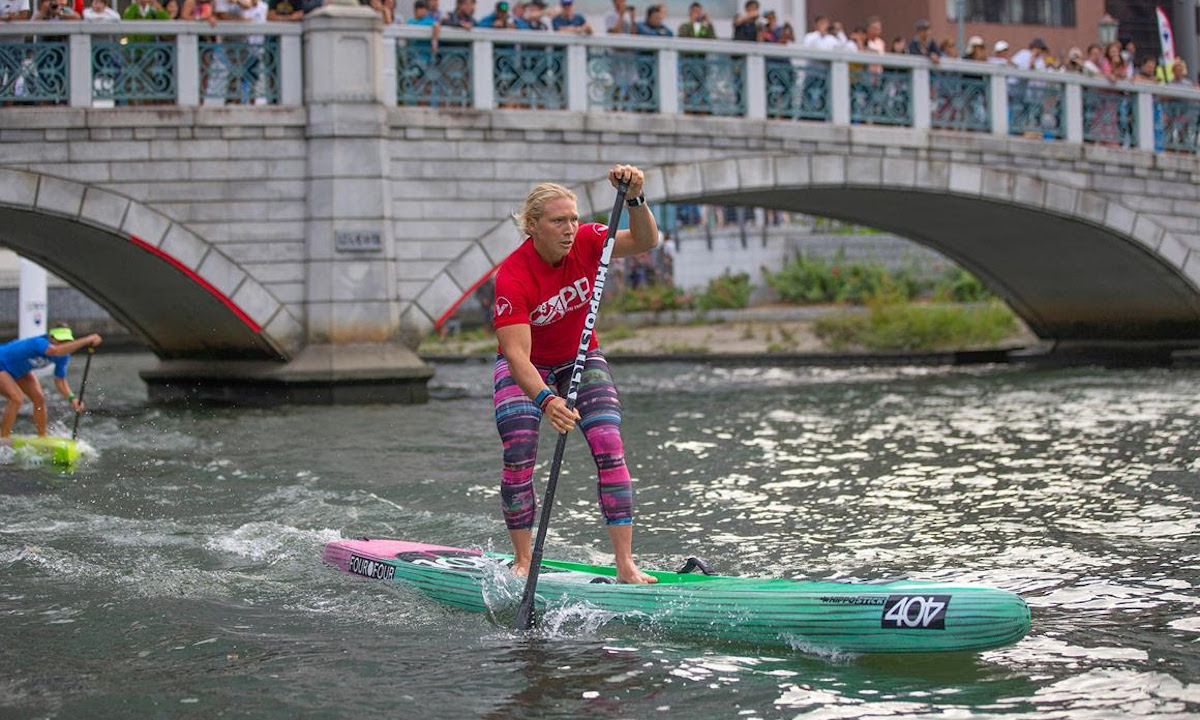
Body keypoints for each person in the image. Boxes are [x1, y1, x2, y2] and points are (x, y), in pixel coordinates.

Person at [491, 165, 659, 585]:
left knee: (609, 447)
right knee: (519, 454)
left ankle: (625, 565)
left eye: (573, 219)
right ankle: (524, 559)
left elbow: (644, 240)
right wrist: (546, 400)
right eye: (558, 221)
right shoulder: (513, 276)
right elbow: (516, 356)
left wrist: (636, 198)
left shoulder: (589, 242)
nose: (570, 228)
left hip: (580, 358)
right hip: (528, 368)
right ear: (532, 226)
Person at [0, 326, 101, 440]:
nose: (63, 344)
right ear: (51, 338)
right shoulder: (39, 343)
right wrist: (87, 340)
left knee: (39, 399)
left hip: (18, 370)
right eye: (60, 341)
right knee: (16, 398)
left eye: (66, 341)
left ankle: (42, 438)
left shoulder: (63, 356)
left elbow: (60, 380)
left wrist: (72, 399)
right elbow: (54, 351)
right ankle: (3, 438)